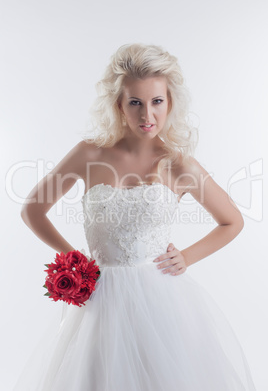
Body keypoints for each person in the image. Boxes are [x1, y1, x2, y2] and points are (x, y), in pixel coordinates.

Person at [14, 43, 256, 390]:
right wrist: (76, 262)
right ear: (118, 104)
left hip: (162, 300)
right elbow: (33, 210)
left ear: (170, 102)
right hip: (99, 300)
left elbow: (232, 221)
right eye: (135, 103)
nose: (147, 116)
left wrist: (186, 257)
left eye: (157, 102)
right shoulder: (88, 153)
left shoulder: (178, 164)